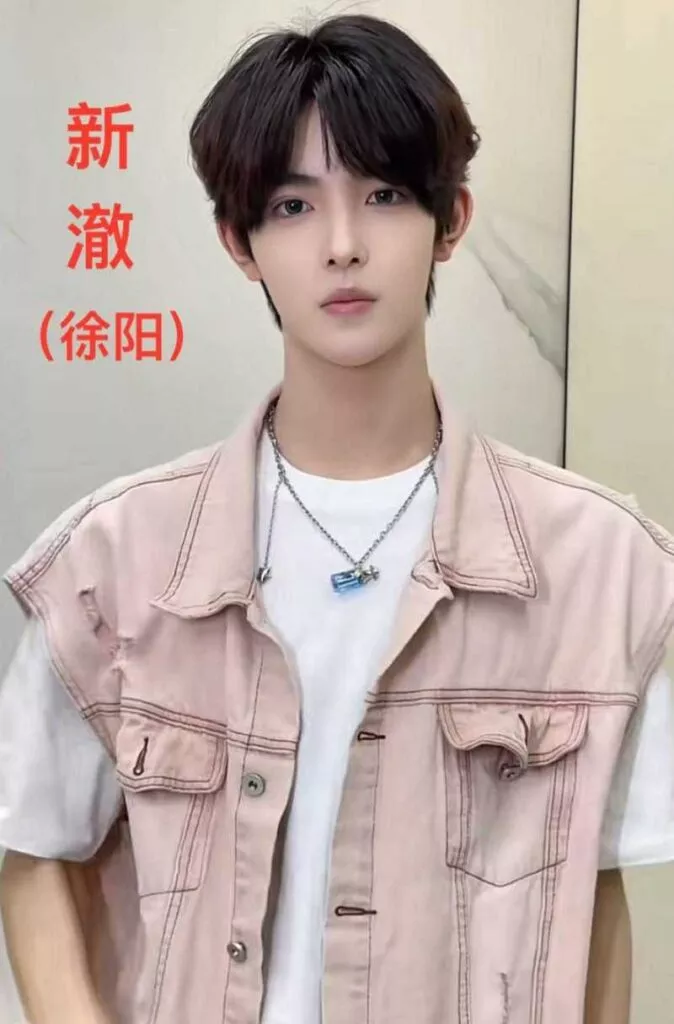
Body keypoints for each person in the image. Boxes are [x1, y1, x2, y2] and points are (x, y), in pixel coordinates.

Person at [1, 13, 674, 1024]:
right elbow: (36, 852)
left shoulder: (600, 566)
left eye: (385, 195)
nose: (344, 245)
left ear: (451, 220)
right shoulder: (114, 563)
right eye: (292, 205)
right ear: (240, 242)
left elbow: (593, 900)